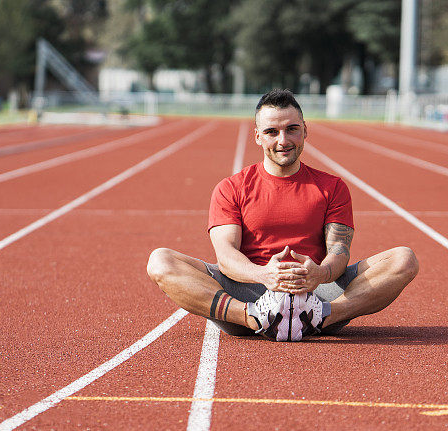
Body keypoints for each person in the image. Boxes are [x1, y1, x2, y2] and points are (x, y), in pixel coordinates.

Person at [147, 89, 418, 341]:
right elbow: (226, 256)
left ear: (305, 131)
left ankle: (321, 317)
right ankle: (253, 318)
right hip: (249, 291)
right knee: (160, 261)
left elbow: (339, 251)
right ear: (257, 136)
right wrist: (264, 274)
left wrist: (320, 273)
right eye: (271, 131)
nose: (283, 140)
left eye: (292, 129)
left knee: (404, 259)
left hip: (317, 292)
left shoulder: (332, 187)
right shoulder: (231, 188)